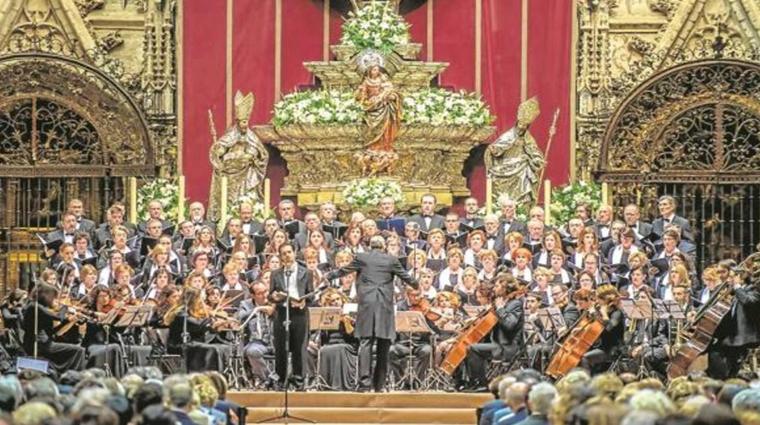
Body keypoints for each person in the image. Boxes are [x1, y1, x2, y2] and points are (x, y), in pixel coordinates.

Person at [325, 235, 418, 392]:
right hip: (384, 306)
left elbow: (344, 270)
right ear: (383, 246)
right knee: (384, 344)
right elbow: (407, 278)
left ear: (370, 246)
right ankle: (379, 385)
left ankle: (364, 384)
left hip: (367, 304)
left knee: (366, 343)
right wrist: (415, 283)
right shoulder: (391, 260)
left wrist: (329, 275)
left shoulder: (362, 257)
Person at [268, 243, 315, 390]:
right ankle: (281, 380)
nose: (287, 255)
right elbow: (270, 295)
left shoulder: (306, 272)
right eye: (284, 253)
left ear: (294, 253)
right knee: (281, 347)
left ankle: (299, 380)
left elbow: (311, 295)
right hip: (282, 312)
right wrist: (275, 296)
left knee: (299, 348)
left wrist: (303, 302)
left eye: (289, 252)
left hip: (299, 313)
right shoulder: (276, 274)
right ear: (280, 256)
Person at [21, 283, 86, 374]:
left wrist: (68, 320)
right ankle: (73, 375)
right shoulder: (34, 306)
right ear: (46, 296)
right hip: (38, 345)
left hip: (44, 343)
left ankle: (67, 374)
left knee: (77, 349)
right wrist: (65, 307)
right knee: (79, 350)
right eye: (53, 297)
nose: (55, 300)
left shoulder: (39, 308)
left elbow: (52, 332)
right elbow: (58, 317)